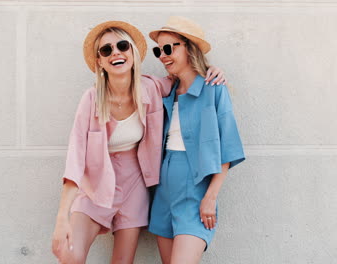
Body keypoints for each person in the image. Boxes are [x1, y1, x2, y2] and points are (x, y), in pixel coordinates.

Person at [51, 20, 226, 264]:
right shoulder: (91, 99)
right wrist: (62, 219)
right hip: (96, 185)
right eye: (106, 50)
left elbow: (185, 77)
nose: (116, 53)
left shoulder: (152, 87)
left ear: (132, 52)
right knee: (70, 256)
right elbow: (75, 160)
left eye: (122, 46)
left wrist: (211, 70)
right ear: (100, 61)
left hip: (135, 183)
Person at [148, 16, 245, 264]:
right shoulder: (166, 91)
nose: (163, 55)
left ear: (189, 47)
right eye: (159, 50)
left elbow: (228, 149)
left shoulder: (214, 88)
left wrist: (210, 197)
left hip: (195, 192)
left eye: (169, 48)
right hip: (163, 192)